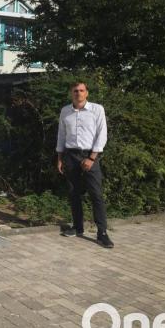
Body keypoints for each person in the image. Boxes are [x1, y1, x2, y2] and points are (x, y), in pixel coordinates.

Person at [56, 82, 114, 248]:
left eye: (81, 90)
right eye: (75, 91)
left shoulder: (97, 109)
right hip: (71, 155)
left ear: (86, 93)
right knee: (74, 193)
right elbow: (61, 135)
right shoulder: (65, 111)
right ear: (71, 93)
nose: (78, 93)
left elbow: (102, 134)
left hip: (90, 155)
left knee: (96, 194)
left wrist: (92, 158)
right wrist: (60, 157)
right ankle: (77, 227)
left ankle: (102, 233)